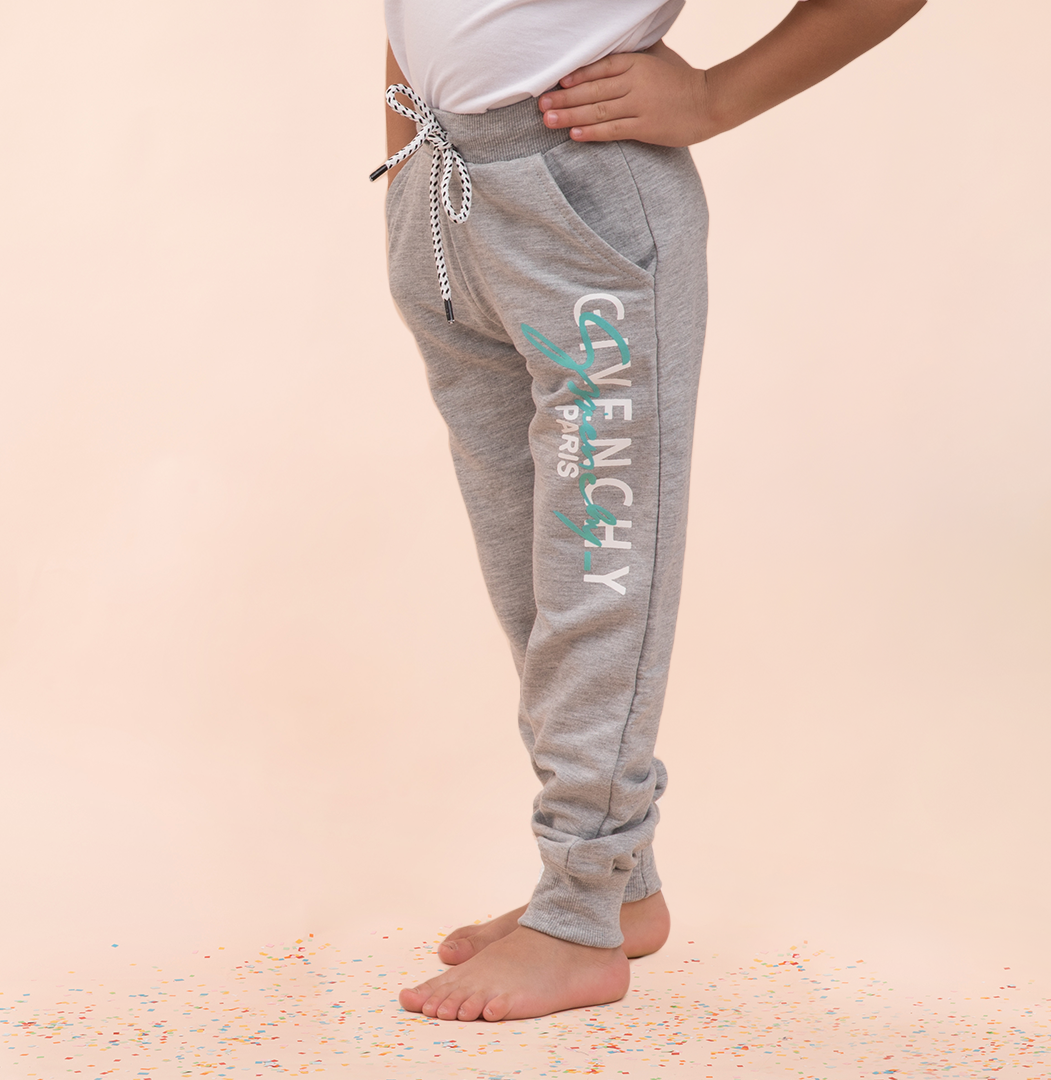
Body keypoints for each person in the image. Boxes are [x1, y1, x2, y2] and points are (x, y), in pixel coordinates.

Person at [375, 0, 926, 1023]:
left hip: (579, 192)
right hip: (443, 184)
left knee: (600, 570)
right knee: (530, 576)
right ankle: (621, 882)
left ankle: (579, 907)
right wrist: (407, 149)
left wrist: (715, 97)